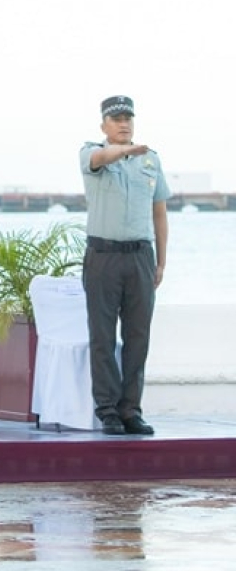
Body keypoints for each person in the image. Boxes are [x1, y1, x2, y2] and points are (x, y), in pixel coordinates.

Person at [80, 95, 169, 436]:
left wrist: (161, 261)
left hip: (140, 257)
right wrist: (126, 151)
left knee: (138, 336)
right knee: (103, 336)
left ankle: (130, 409)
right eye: (116, 118)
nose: (124, 123)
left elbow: (159, 212)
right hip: (103, 256)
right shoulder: (92, 153)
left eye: (128, 118)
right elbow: (101, 157)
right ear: (104, 124)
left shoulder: (151, 160)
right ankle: (108, 410)